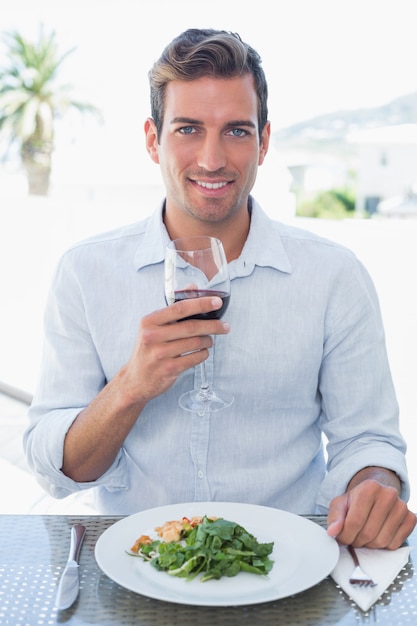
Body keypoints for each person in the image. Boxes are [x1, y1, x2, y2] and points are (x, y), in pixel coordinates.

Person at [24, 28, 416, 549]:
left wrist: (374, 486)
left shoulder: (335, 277)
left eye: (236, 131)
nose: (212, 159)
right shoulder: (84, 272)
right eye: (188, 129)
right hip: (137, 565)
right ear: (151, 139)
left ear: (265, 141)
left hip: (290, 564)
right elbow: (59, 471)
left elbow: (369, 443)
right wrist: (130, 388)